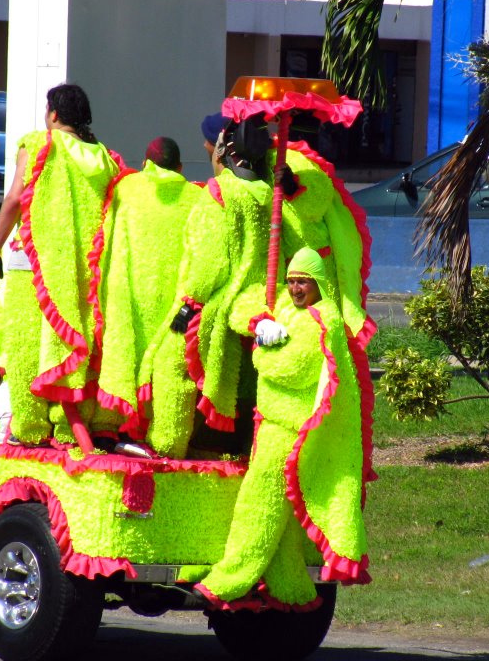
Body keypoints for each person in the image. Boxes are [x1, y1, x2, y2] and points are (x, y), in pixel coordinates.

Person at [196, 247, 370, 609]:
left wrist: (260, 350)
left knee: (258, 505)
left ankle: (231, 579)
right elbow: (241, 301)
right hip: (270, 426)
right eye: (291, 281)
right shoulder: (287, 310)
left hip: (290, 432)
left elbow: (291, 368)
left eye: (302, 281)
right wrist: (260, 321)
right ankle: (290, 588)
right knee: (286, 519)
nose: (294, 288)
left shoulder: (324, 320)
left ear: (318, 283)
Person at [0, 83, 126, 446]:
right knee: (79, 341)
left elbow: (16, 199)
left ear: (53, 114)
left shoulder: (40, 143)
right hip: (83, 266)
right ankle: (71, 428)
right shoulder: (104, 156)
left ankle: (29, 428)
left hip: (32, 263)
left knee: (24, 345)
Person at [139, 114, 279, 458]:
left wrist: (188, 305)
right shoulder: (269, 195)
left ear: (223, 150)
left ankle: (168, 448)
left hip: (215, 307)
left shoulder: (220, 193)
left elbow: (209, 262)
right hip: (256, 302)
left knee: (171, 364)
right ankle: (234, 449)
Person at [96, 136, 203, 442]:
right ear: (180, 167)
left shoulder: (125, 190)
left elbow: (103, 236)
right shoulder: (196, 199)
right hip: (174, 304)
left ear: (145, 164)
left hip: (128, 295)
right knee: (165, 368)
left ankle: (111, 424)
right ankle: (160, 436)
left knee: (124, 353)